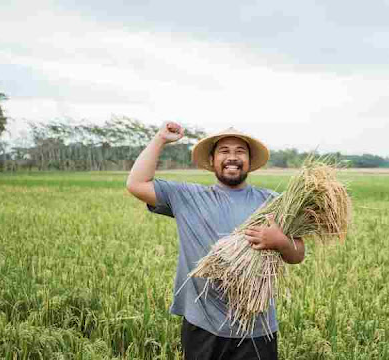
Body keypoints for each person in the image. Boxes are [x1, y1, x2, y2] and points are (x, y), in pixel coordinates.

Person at [126, 122, 305, 359]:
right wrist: (160, 138)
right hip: (202, 326)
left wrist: (280, 241)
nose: (232, 157)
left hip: (257, 328)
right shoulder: (187, 197)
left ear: (250, 161)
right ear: (212, 161)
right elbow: (136, 184)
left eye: (240, 151)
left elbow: (298, 254)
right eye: (224, 151)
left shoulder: (274, 203)